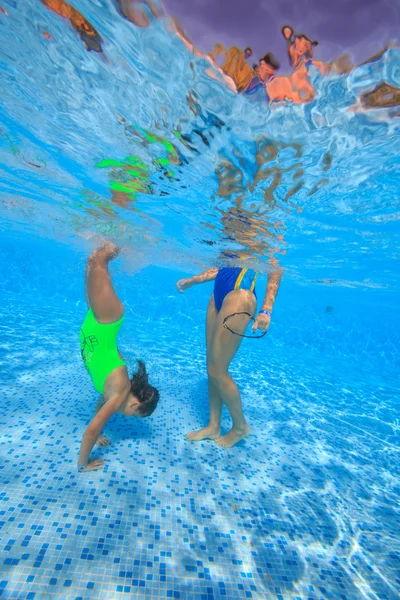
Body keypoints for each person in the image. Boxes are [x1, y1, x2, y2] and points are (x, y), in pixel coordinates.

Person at [176, 266, 281, 448]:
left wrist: (266, 309)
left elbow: (275, 268)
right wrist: (194, 280)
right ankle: (213, 426)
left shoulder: (266, 236)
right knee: (211, 367)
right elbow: (223, 266)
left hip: (241, 296)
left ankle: (240, 426)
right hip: (218, 293)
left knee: (218, 369)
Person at [78, 243, 160, 472]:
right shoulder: (120, 393)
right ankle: (124, 234)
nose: (127, 416)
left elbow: (100, 405)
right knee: (99, 258)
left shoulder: (114, 394)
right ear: (135, 404)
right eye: (134, 415)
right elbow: (91, 430)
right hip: (106, 320)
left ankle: (118, 232)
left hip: (95, 320)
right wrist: (82, 465)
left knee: (93, 259)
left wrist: (100, 431)